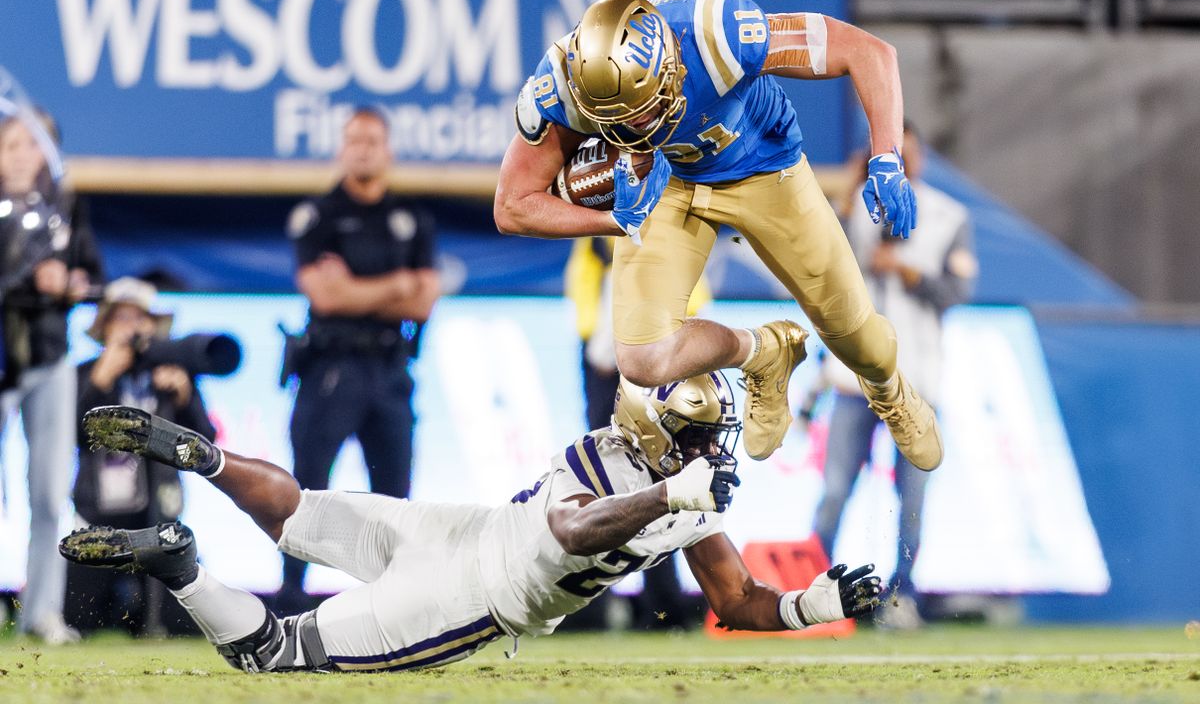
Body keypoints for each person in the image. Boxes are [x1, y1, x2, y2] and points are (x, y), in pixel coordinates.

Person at [62, 370, 882, 672]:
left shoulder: (673, 483)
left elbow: (734, 598)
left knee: (302, 511)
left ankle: (204, 460)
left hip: (453, 531)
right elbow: (572, 531)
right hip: (466, 597)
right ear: (665, 438)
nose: (715, 450)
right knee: (273, 654)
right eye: (701, 438)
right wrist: (676, 496)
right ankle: (177, 563)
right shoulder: (625, 468)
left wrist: (818, 606)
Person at [493, 0, 941, 477]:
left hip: (765, 169)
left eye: (641, 108)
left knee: (859, 341)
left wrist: (886, 157)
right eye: (616, 118)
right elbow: (512, 206)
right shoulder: (558, 84)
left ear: (670, 65)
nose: (633, 125)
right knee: (641, 357)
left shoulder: (718, 32)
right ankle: (765, 352)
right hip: (666, 181)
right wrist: (614, 220)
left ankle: (890, 390)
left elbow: (868, 51)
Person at [811, 124, 976, 628]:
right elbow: (819, 269)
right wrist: (846, 202)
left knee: (911, 499)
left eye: (907, 155)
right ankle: (815, 593)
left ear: (921, 159)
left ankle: (900, 596)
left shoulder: (948, 214)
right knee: (836, 487)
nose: (901, 165)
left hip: (916, 377)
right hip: (854, 377)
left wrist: (908, 272)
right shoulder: (853, 206)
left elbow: (959, 291)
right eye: (890, 156)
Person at [279, 107, 440, 609]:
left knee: (394, 492)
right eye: (354, 140)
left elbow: (423, 301)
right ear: (340, 149)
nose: (363, 149)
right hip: (332, 365)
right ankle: (290, 596)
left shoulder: (412, 218)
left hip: (391, 368)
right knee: (309, 484)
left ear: (388, 150)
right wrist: (395, 284)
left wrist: (355, 287)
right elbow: (325, 299)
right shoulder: (319, 215)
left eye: (373, 140)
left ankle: (392, 601)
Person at [564, 236, 712, 629]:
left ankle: (663, 601)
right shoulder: (604, 219)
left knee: (661, 479)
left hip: (655, 354)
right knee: (611, 479)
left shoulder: (649, 208)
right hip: (613, 359)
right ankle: (605, 601)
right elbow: (584, 281)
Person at [0, 113, 102, 643]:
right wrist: (24, 276)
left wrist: (73, 282)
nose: (21, 154)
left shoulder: (65, 207)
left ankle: (42, 612)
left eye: (32, 145)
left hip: (49, 355)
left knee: (47, 492)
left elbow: (94, 275)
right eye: (11, 143)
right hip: (2, 355)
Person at [67, 277, 215, 636]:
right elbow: (72, 435)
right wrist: (101, 381)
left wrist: (183, 397)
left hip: (160, 518)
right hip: (101, 517)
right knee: (78, 615)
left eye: (140, 318)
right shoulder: (85, 374)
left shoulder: (172, 373)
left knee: (184, 621)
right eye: (122, 318)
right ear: (105, 328)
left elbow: (206, 445)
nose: (132, 328)